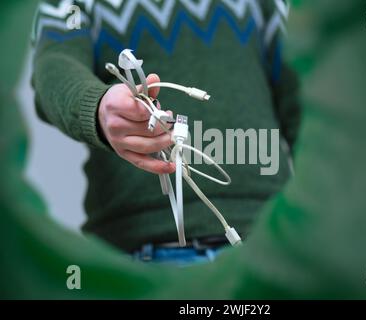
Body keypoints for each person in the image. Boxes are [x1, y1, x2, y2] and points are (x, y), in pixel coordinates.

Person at [32, 0, 300, 262]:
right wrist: (97, 106)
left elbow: (304, 101)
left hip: (275, 244)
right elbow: (54, 64)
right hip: (138, 251)